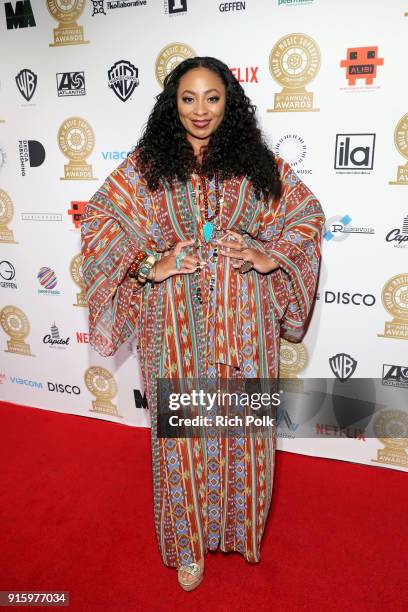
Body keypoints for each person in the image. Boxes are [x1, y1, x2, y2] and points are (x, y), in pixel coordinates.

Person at [81, 56, 325, 591]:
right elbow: (100, 221)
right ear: (173, 103)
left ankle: (238, 530)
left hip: (246, 317)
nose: (199, 110)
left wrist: (269, 257)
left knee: (242, 426)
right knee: (183, 431)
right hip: (172, 319)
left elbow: (306, 216)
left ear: (229, 102)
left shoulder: (258, 162)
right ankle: (188, 546)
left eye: (212, 98)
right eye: (188, 98)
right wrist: (151, 264)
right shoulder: (148, 165)